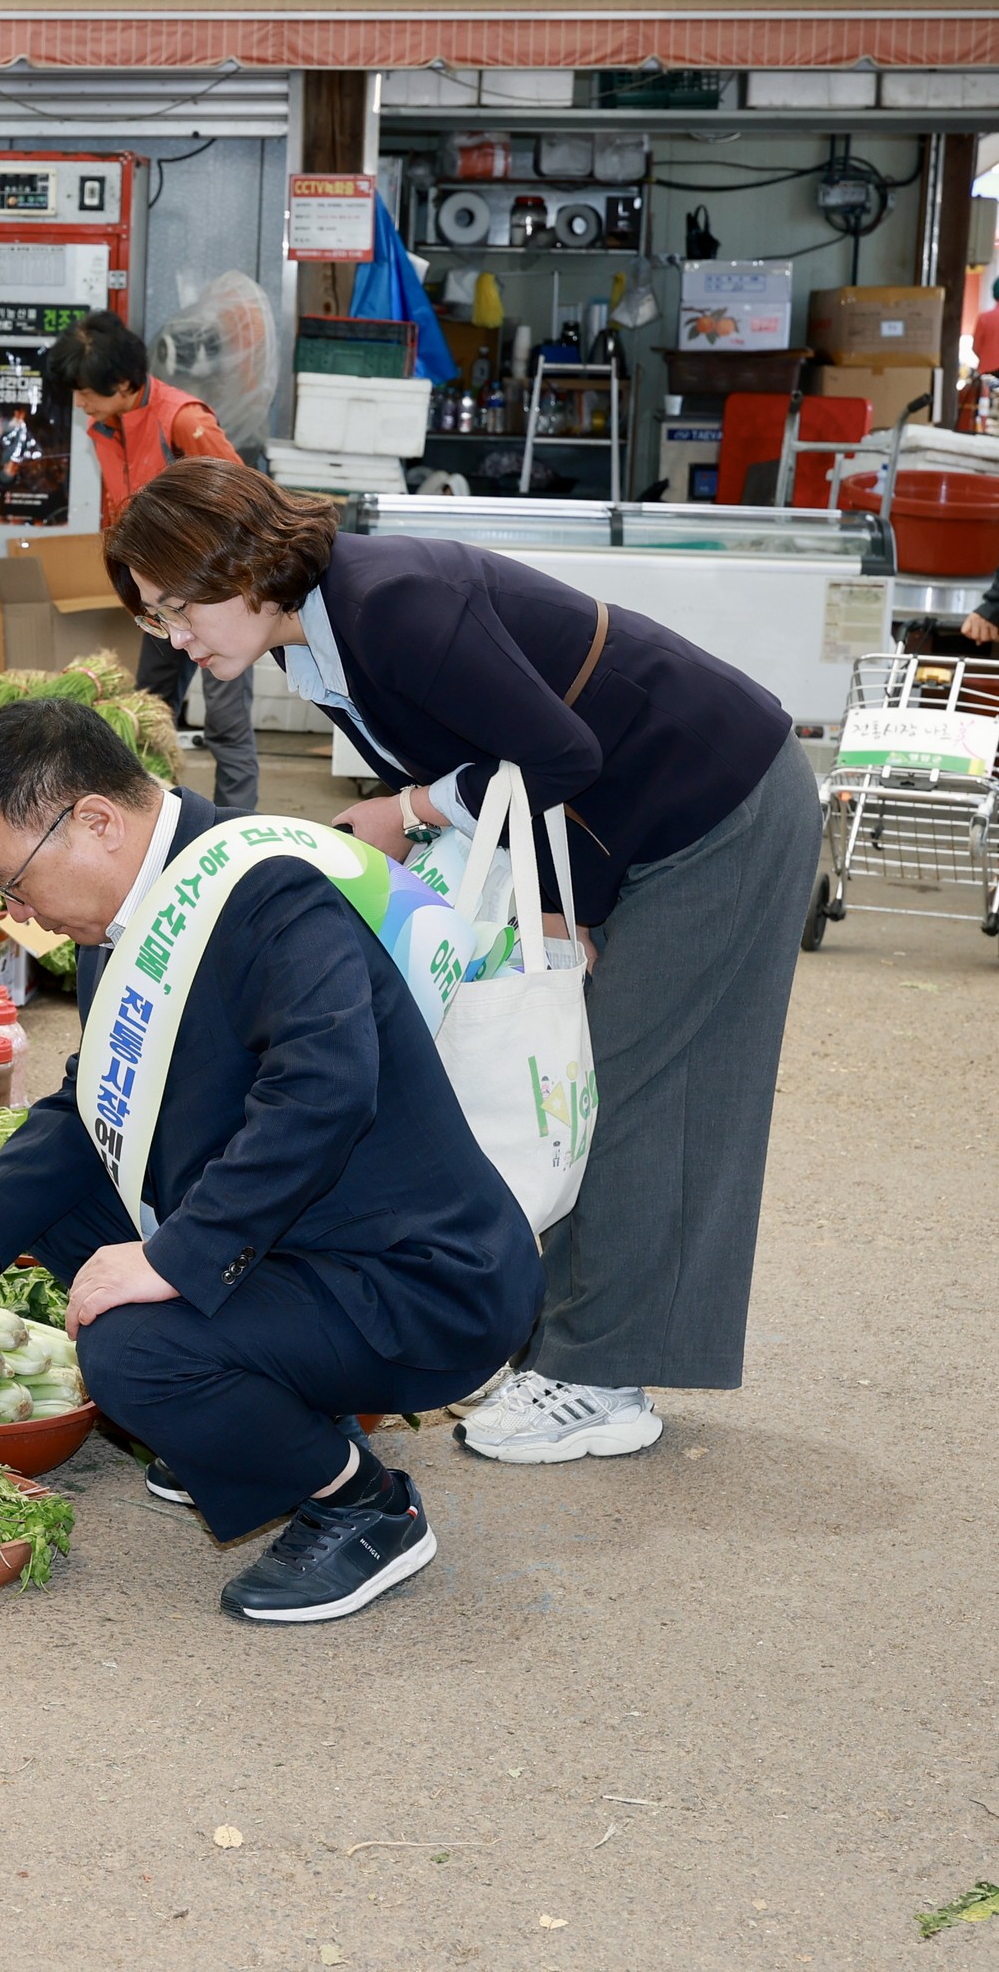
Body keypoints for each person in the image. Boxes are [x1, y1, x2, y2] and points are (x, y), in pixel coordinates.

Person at [103, 457, 820, 1465]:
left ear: (248, 566)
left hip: (714, 804)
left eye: (180, 607)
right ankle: (559, 1345)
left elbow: (560, 755)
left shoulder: (391, 604)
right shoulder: (318, 636)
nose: (174, 636)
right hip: (619, 826)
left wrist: (409, 810)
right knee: (569, 1083)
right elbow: (509, 752)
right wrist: (558, 908)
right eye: (156, 616)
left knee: (642, 1092)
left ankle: (602, 1378)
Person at [0, 700, 539, 1621]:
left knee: (130, 1349)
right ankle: (273, 1413)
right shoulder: (127, 912)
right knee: (55, 1208)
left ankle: (364, 1508)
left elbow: (324, 1091)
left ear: (95, 820)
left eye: (14, 885)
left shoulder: (265, 888)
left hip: (418, 1279)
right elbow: (90, 1109)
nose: (19, 915)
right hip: (303, 1238)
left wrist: (173, 1259)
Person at [44, 309, 255, 808]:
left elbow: (246, 504)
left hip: (215, 594)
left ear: (123, 384)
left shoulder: (184, 421)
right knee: (147, 708)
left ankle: (238, 824)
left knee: (226, 722)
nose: (79, 404)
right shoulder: (106, 424)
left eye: (85, 393)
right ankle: (151, 817)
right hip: (158, 598)